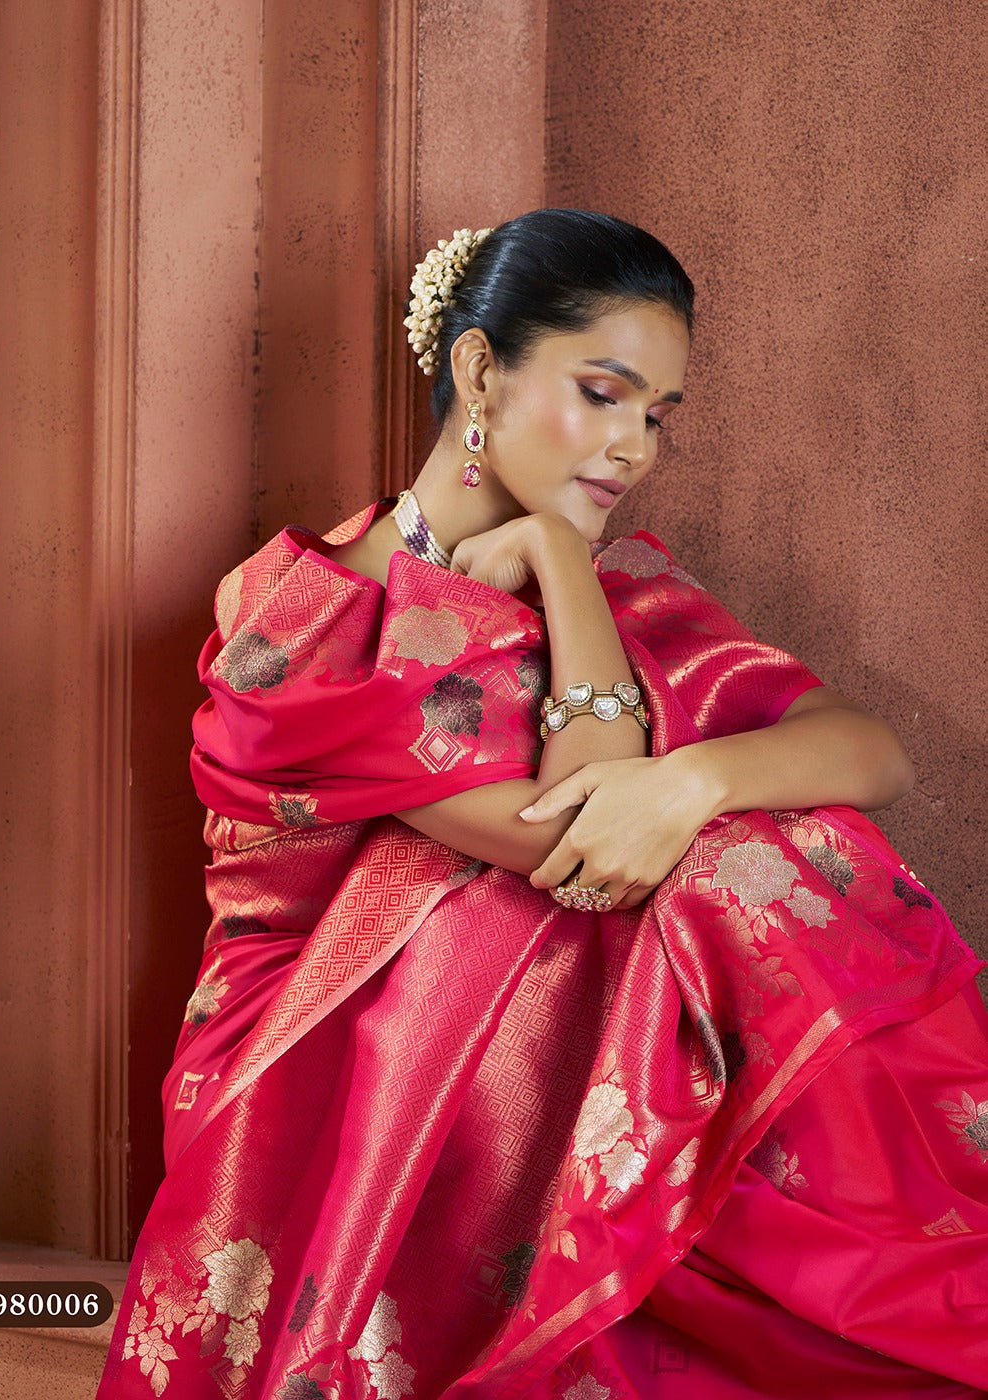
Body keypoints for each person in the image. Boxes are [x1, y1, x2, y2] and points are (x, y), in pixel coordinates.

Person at [98, 210, 988, 1399]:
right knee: (682, 878)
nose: (633, 446)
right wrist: (568, 571)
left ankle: (892, 1243)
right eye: (604, 392)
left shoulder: (635, 586)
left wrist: (697, 774)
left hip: (560, 1021)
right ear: (479, 370)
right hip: (331, 1059)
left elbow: (865, 752)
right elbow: (586, 840)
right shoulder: (301, 620)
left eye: (658, 414)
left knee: (783, 830)